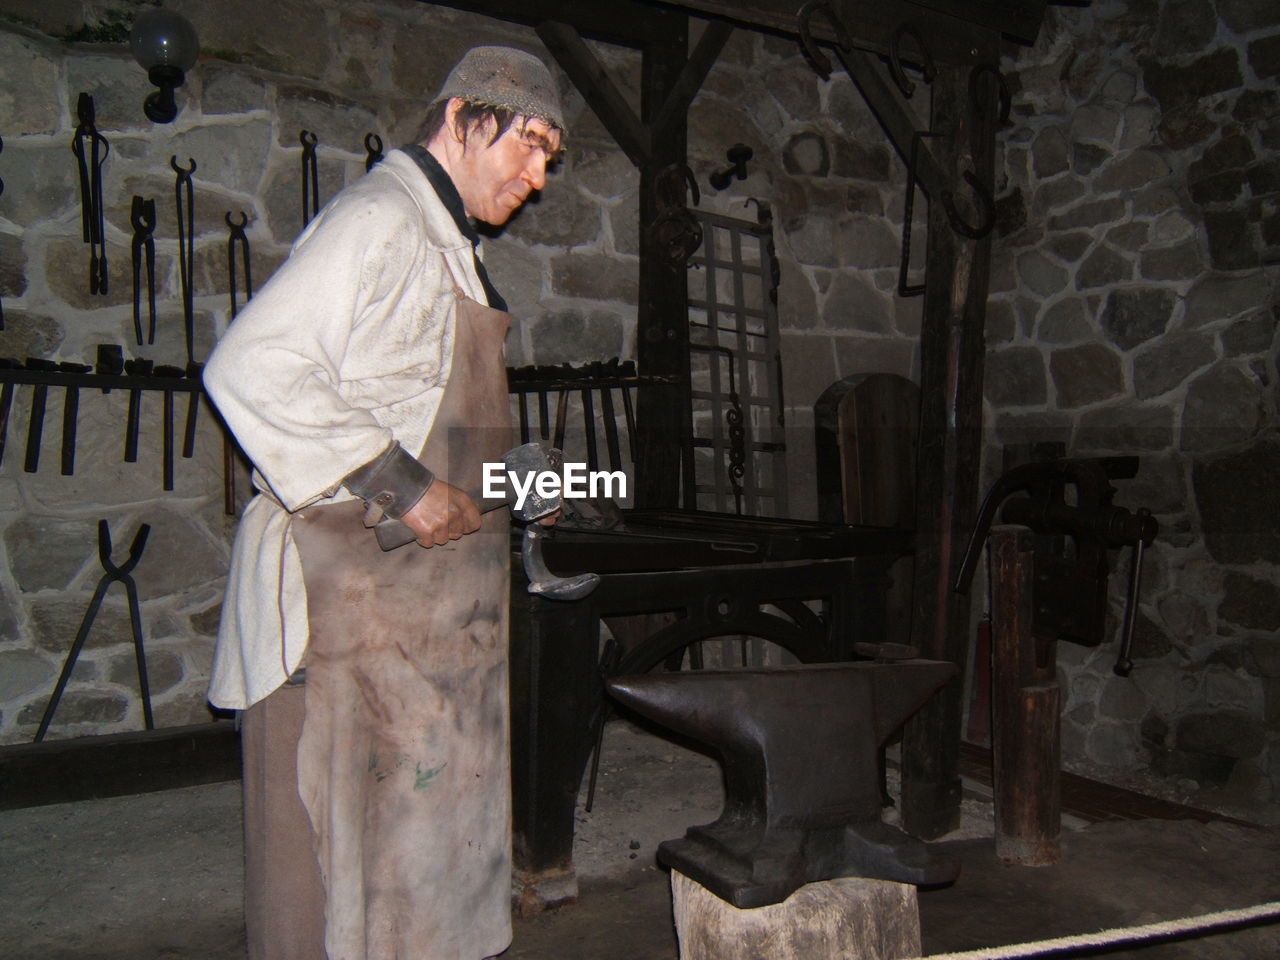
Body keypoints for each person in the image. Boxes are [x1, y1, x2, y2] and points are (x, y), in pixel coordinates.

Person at [203, 46, 565, 960]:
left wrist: (528, 478)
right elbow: (252, 366)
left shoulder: (453, 252)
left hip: (425, 640)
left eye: (552, 159)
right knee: (322, 896)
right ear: (460, 119)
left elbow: (435, 429)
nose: (539, 176)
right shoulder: (381, 221)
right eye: (529, 145)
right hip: (337, 635)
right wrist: (398, 488)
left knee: (416, 897)